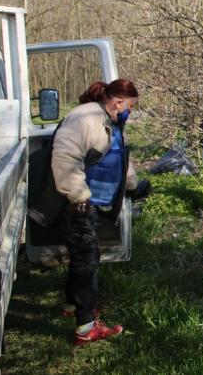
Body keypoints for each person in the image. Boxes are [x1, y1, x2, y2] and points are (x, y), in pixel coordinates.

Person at [51, 78, 147, 345]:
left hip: (94, 204)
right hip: (78, 205)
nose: (130, 111)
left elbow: (121, 161)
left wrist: (133, 187)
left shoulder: (112, 123)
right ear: (118, 102)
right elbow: (65, 157)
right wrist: (78, 196)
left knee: (81, 258)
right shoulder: (85, 118)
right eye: (130, 106)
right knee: (87, 261)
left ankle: (72, 306)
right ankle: (86, 327)